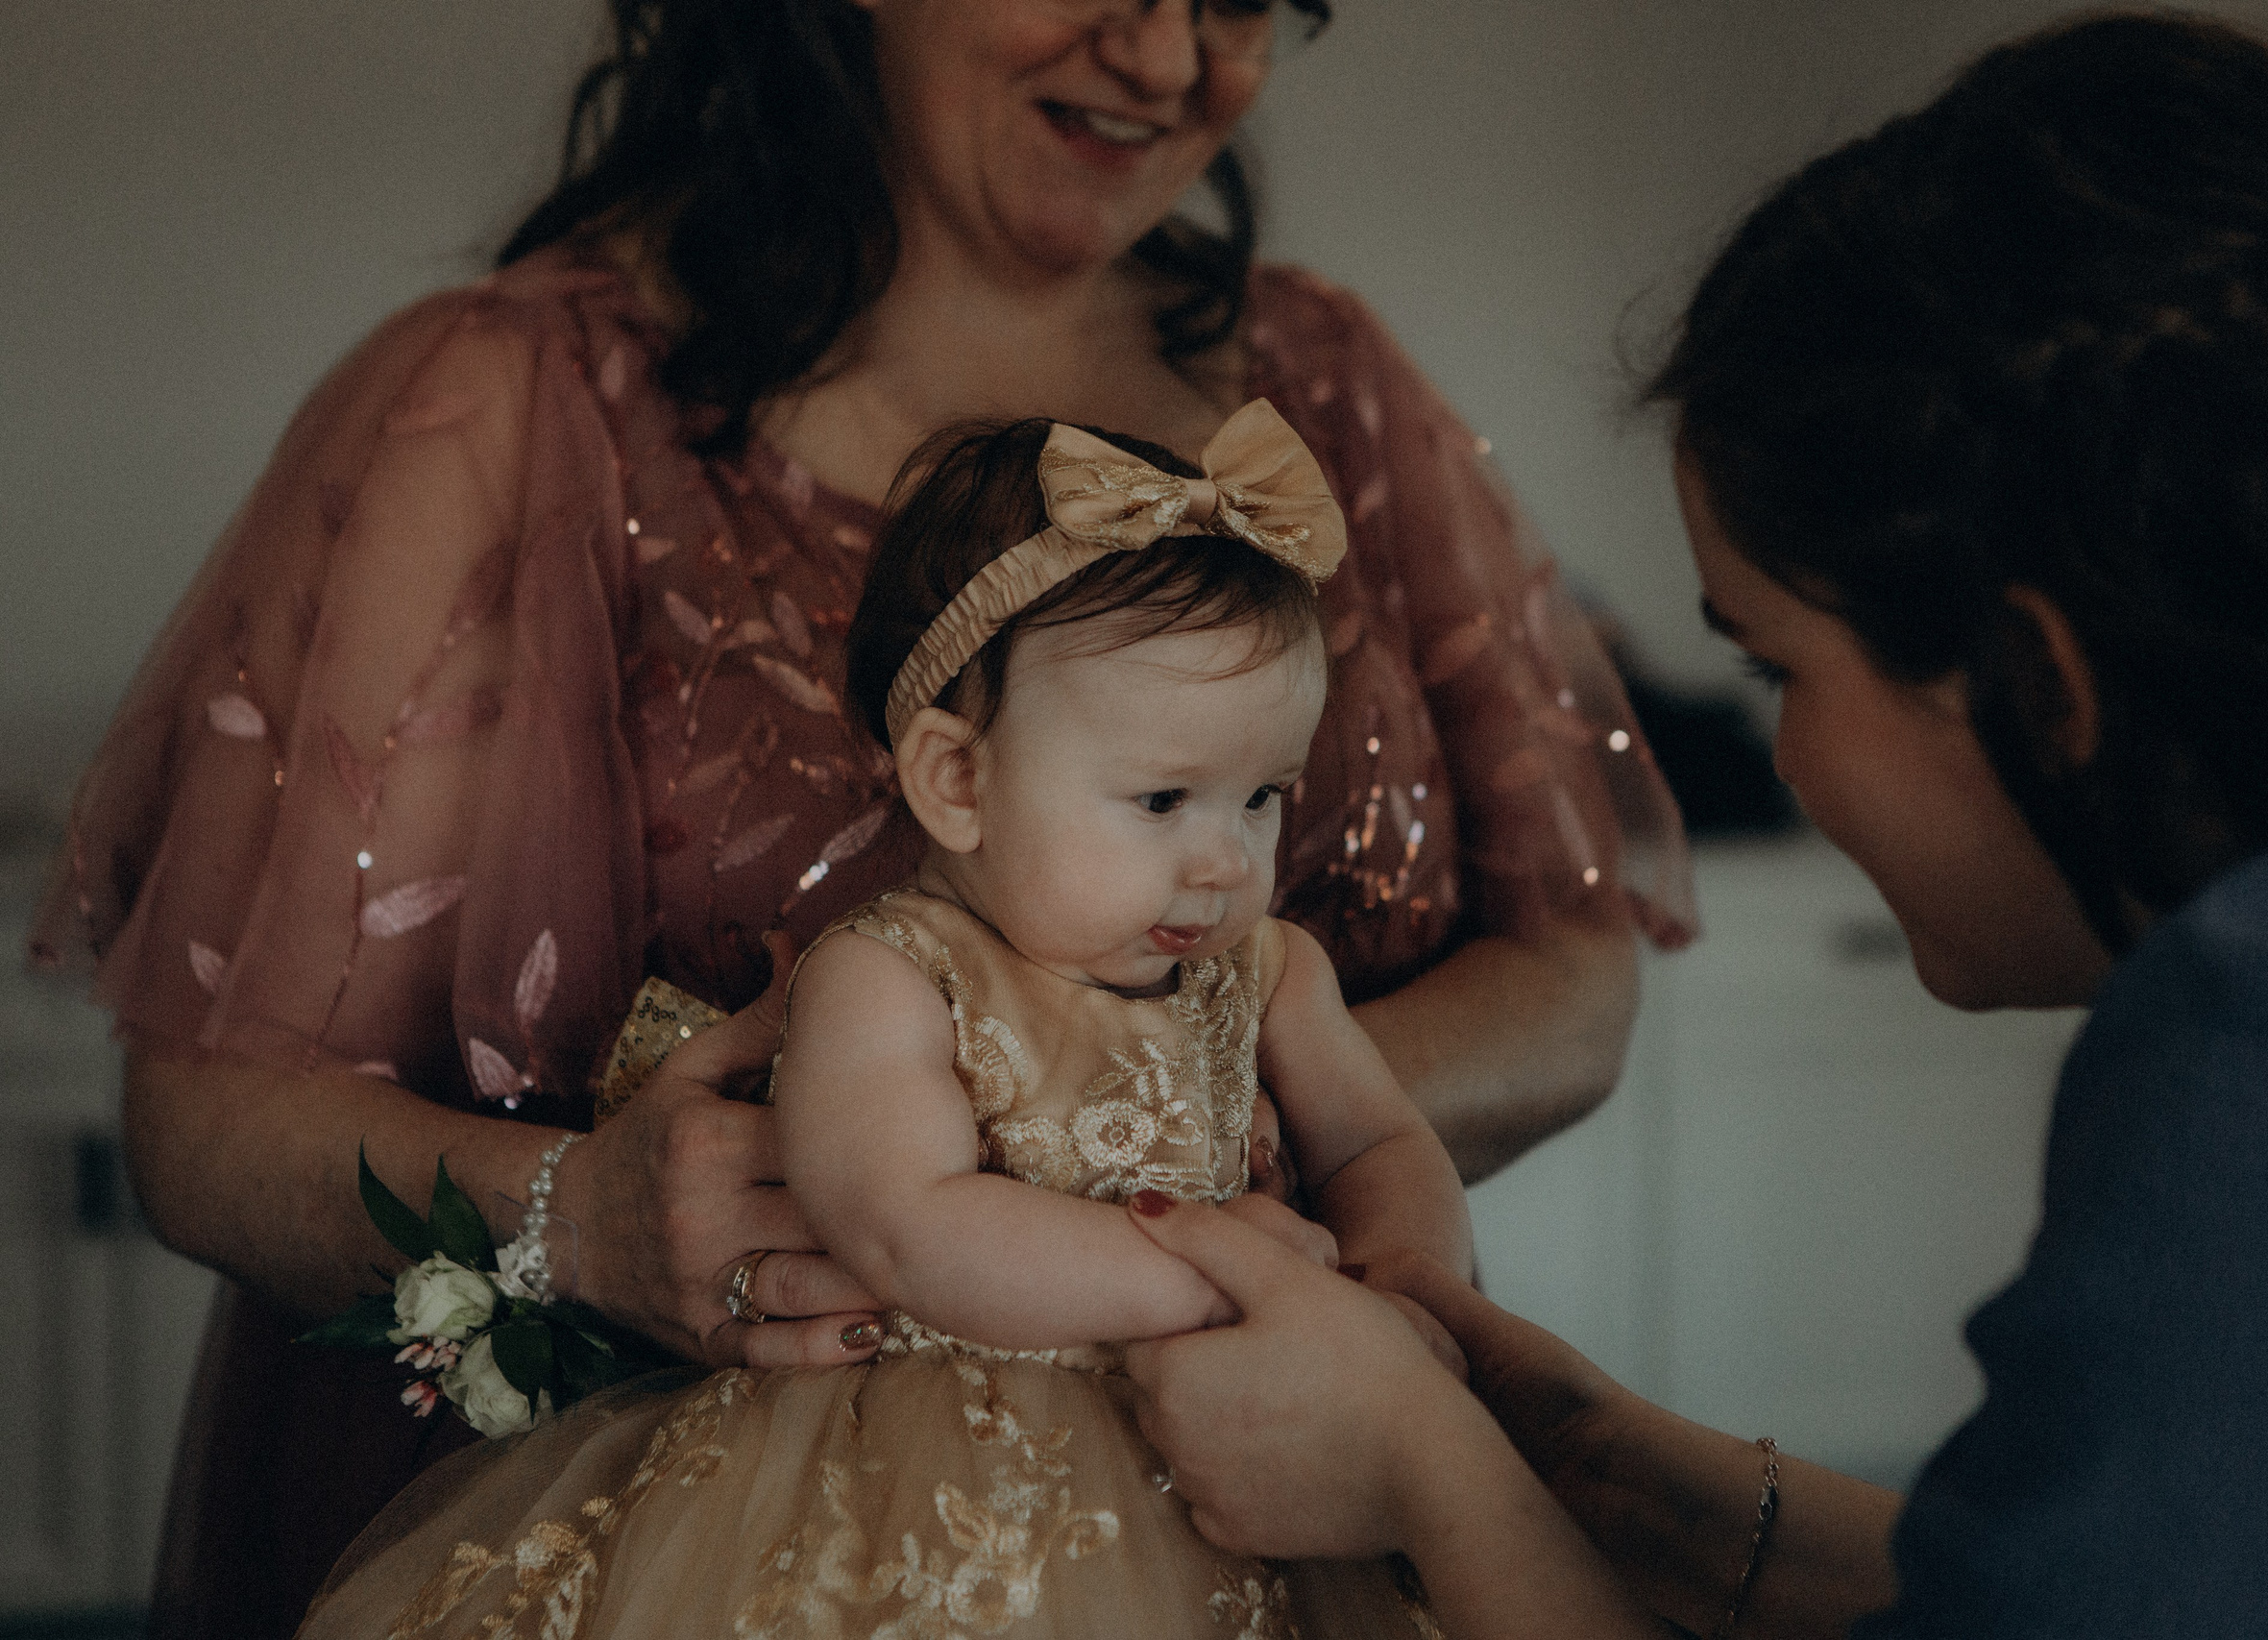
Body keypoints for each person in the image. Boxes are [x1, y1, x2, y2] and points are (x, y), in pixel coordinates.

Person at [30, 1, 1692, 1631]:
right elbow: (204, 1123)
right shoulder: (515, 397)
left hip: (1275, 1476)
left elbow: (1574, 961)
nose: (1171, 57)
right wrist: (581, 1219)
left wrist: (1231, 1147)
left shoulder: (1316, 402)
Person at [1114, 13, 2268, 1638]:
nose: (1786, 760)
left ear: (2041, 678)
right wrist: (1610, 1475)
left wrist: (1425, 1474)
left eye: (1776, 667)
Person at [297, 404, 1473, 1638]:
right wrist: (1225, 1277)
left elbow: (1378, 1143)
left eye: (1261, 797)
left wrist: (1394, 1291)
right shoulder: (887, 973)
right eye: (1164, 798)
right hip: (944, 1485)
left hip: (1247, 1444)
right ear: (957, 781)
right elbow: (907, 1224)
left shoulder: (1270, 972)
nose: (1225, 861)